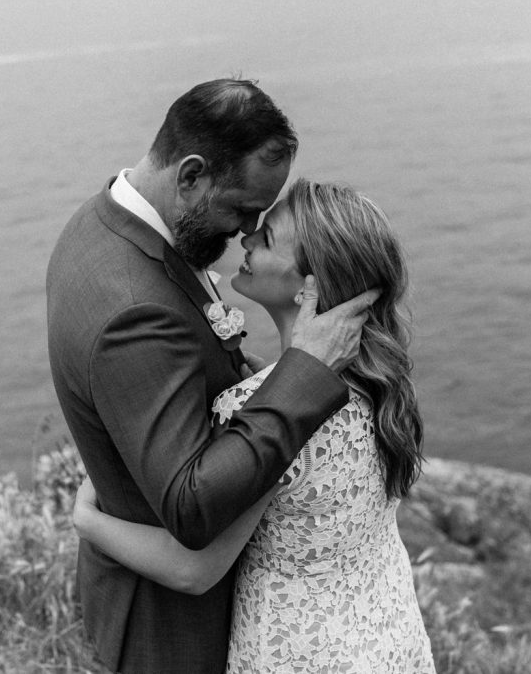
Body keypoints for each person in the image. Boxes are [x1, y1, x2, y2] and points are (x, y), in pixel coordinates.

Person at [46, 79, 377, 673]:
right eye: (242, 210)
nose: (245, 232)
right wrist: (303, 370)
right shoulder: (132, 306)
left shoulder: (104, 225)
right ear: (191, 174)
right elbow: (192, 507)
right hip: (168, 630)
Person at [72, 179, 436, 673]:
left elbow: (193, 571)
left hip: (301, 656)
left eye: (266, 240)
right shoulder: (381, 380)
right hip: (390, 639)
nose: (245, 239)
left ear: (310, 285)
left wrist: (88, 522)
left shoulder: (269, 412)